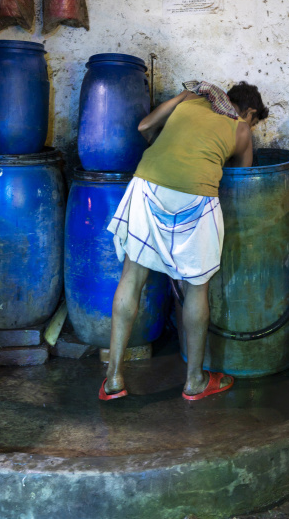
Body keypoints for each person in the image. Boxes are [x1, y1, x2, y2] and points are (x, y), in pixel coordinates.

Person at [100, 80, 268, 401]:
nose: (251, 128)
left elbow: (145, 125)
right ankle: (194, 382)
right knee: (197, 287)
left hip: (147, 184)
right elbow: (242, 178)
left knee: (132, 278)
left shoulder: (191, 103)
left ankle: (113, 379)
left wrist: (184, 96)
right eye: (254, 121)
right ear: (249, 111)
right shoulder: (241, 128)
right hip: (196, 198)